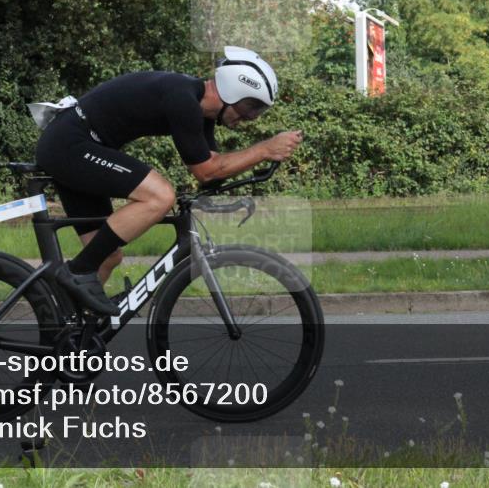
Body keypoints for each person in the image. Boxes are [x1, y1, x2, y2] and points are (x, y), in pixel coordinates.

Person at [35, 46, 303, 316]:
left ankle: (66, 332)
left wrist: (224, 198)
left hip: (76, 145)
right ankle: (78, 271)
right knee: (160, 196)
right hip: (70, 144)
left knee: (107, 257)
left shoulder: (199, 110)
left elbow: (211, 173)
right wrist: (265, 149)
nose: (249, 118)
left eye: (257, 111)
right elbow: (207, 170)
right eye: (250, 108)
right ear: (231, 91)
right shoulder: (183, 99)